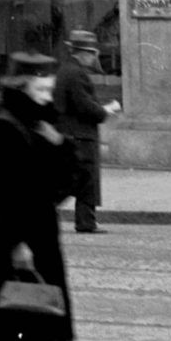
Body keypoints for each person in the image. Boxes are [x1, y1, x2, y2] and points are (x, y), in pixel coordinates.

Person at [0, 51, 75, 341]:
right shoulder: (0, 128)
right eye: (40, 90)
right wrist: (17, 246)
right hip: (14, 242)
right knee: (7, 330)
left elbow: (66, 184)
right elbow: (3, 195)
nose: (47, 97)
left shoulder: (42, 124)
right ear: (22, 87)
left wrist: (61, 145)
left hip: (41, 237)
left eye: (49, 90)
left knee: (49, 323)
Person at [48, 31, 113, 234]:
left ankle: (85, 221)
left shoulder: (66, 70)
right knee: (85, 180)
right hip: (80, 135)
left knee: (75, 181)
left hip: (69, 133)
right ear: (83, 53)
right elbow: (84, 105)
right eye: (92, 54)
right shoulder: (76, 73)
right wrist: (105, 111)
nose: (94, 58)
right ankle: (85, 222)